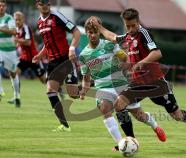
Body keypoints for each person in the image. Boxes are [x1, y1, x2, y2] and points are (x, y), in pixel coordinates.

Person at [92, 8, 186, 136]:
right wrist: (100, 27)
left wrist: (141, 63)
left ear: (138, 22)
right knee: (119, 104)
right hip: (137, 83)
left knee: (176, 115)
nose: (131, 29)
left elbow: (157, 53)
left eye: (133, 25)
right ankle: (130, 140)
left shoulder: (144, 33)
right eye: (128, 26)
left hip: (155, 83)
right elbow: (113, 37)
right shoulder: (127, 36)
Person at [78, 17, 166, 150]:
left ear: (99, 32)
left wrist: (121, 65)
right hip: (102, 89)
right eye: (90, 32)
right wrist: (84, 89)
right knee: (104, 108)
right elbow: (86, 77)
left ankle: (155, 126)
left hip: (120, 85)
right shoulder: (84, 55)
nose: (93, 35)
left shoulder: (109, 45)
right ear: (86, 32)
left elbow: (126, 58)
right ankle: (122, 143)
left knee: (139, 116)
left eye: (95, 31)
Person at [32, 0, 81, 131]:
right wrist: (40, 55)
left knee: (74, 94)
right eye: (43, 4)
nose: (46, 6)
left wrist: (72, 49)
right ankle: (64, 125)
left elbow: (76, 32)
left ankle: (89, 84)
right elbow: (47, 44)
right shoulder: (39, 22)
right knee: (50, 91)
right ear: (37, 5)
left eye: (48, 3)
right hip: (52, 62)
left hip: (65, 59)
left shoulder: (57, 16)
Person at [0, 0, 20, 107]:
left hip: (10, 51)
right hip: (0, 50)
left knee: (12, 74)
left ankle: (16, 95)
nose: (1, 7)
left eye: (3, 6)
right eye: (0, 6)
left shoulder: (9, 18)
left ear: (6, 7)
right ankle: (0, 91)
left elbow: (14, 32)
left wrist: (1, 29)